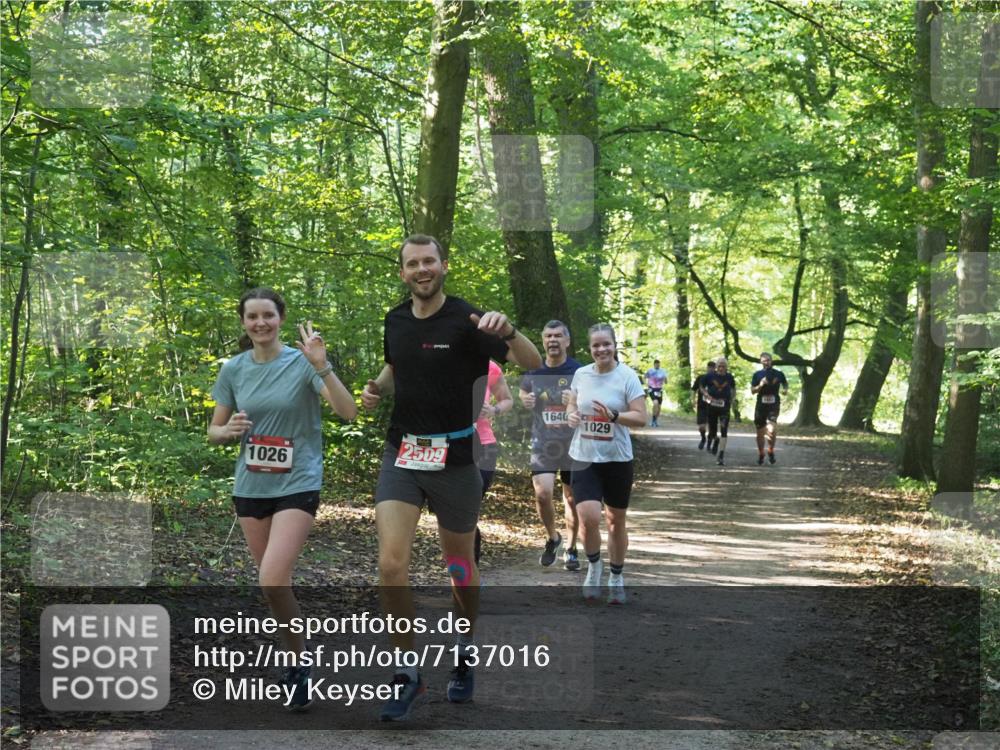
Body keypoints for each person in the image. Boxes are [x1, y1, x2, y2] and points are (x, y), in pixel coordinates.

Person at [361, 234, 541, 720]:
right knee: (391, 565)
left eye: (429, 261)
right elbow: (397, 363)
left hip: (456, 460)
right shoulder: (395, 319)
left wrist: (509, 332)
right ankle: (407, 674)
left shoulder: (468, 319)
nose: (422, 269)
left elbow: (533, 364)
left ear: (443, 265)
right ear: (402, 272)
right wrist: (377, 387)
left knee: (459, 569)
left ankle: (464, 650)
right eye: (412, 263)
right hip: (402, 455)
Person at [208, 287, 357, 711]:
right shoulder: (233, 370)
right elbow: (214, 431)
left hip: (298, 481)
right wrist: (228, 430)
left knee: (272, 578)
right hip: (250, 487)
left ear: (281, 318)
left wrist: (323, 366)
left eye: (268, 315)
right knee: (276, 589)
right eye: (252, 317)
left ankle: (296, 661)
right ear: (243, 323)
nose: (260, 323)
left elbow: (347, 411)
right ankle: (298, 661)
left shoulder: (302, 363)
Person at [566, 324, 647, 604]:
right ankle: (594, 567)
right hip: (584, 456)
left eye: (606, 344)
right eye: (596, 345)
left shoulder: (627, 377)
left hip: (617, 459)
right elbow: (572, 405)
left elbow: (641, 417)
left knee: (615, 521)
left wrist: (614, 415)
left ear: (615, 346)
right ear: (589, 349)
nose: (601, 349)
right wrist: (571, 415)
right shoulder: (581, 374)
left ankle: (616, 575)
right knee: (588, 518)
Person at [519, 321, 583, 569]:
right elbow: (524, 393)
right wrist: (526, 400)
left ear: (567, 341)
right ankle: (552, 538)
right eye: (548, 336)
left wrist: (577, 400)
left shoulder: (579, 370)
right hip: (543, 442)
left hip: (573, 443)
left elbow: (592, 400)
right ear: (543, 341)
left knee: (572, 498)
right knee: (543, 494)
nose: (553, 340)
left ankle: (571, 547)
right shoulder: (534, 368)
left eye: (558, 335)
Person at [473, 359, 514, 565]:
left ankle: (470, 576)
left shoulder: (490, 367)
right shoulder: (441, 357)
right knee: (452, 515)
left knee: (469, 510)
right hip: (448, 444)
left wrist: (493, 410)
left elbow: (507, 399)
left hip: (483, 446)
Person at [750, 352, 790, 465]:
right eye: (764, 360)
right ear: (760, 362)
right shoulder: (757, 375)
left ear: (771, 361)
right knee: (760, 433)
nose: (766, 362)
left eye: (768, 360)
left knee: (771, 429)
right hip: (761, 405)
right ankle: (761, 453)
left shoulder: (779, 373)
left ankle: (771, 450)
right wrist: (761, 385)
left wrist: (785, 390)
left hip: (774, 404)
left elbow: (785, 384)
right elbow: (753, 391)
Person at [699, 356, 736, 466]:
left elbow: (733, 388)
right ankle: (715, 439)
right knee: (712, 431)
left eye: (723, 366)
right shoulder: (709, 376)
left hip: (724, 407)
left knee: (724, 430)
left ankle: (721, 454)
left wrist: (732, 399)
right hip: (712, 407)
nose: (721, 368)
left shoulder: (729, 377)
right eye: (719, 366)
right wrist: (706, 394)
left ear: (726, 367)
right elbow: (701, 386)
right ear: (716, 367)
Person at [691, 360, 716, 449]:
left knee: (712, 426)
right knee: (702, 426)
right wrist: (693, 400)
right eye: (709, 368)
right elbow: (694, 389)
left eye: (713, 368)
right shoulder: (701, 378)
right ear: (707, 368)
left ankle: (709, 442)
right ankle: (703, 438)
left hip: (713, 405)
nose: (711, 370)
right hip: (702, 405)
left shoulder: (717, 378)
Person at [644, 359, 667, 427]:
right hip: (652, 389)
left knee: (659, 407)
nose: (657, 365)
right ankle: (653, 420)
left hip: (659, 390)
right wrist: (647, 384)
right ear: (654, 364)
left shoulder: (663, 371)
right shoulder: (650, 371)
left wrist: (665, 379)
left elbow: (666, 381)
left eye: (658, 364)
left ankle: (655, 420)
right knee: (655, 403)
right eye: (656, 364)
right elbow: (645, 377)